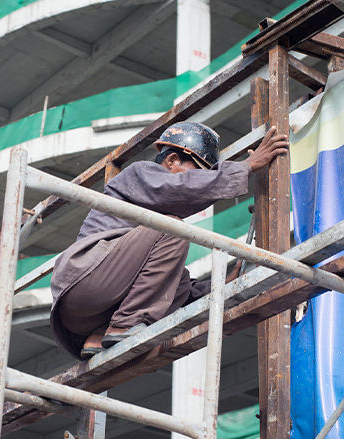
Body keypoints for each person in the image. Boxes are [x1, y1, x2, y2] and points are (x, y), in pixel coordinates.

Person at [49, 121, 289, 359]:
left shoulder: (148, 241)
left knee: (176, 283)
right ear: (172, 160)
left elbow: (179, 291)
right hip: (84, 277)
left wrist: (225, 284)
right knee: (173, 228)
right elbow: (182, 188)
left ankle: (100, 335)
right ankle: (126, 324)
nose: (203, 181)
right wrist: (246, 166)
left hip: (81, 317)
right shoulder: (140, 173)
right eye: (200, 173)